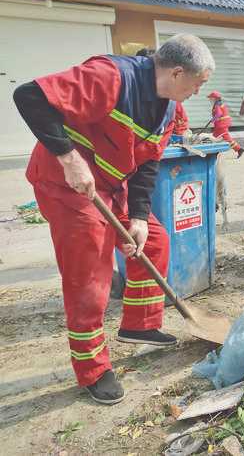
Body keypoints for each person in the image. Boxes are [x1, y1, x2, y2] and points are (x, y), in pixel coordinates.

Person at [13, 33, 215, 405]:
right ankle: (92, 368)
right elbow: (28, 96)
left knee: (153, 240)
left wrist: (138, 215)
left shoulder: (171, 107)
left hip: (109, 186)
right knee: (90, 275)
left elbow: (149, 163)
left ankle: (139, 326)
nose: (199, 92)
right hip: (66, 184)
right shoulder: (110, 78)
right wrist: (68, 158)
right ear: (177, 72)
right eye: (198, 84)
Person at [208, 91, 244, 158]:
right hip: (221, 125)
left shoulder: (217, 105)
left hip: (222, 125)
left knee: (225, 138)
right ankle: (215, 152)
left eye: (210, 98)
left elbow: (219, 114)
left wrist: (213, 120)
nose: (209, 100)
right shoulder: (219, 104)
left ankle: (239, 149)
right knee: (214, 137)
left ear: (214, 98)